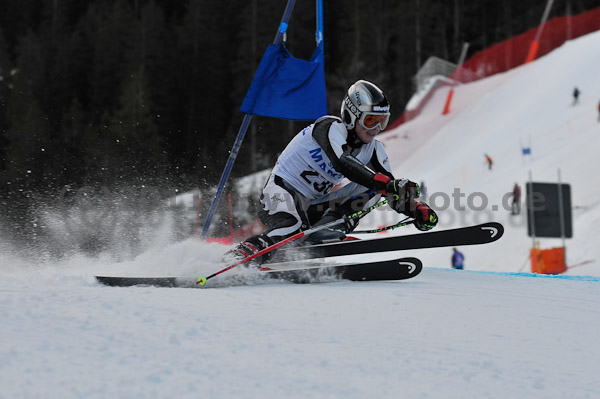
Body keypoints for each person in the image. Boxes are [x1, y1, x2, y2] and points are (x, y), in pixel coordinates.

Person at [226, 80, 438, 264]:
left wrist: (416, 209)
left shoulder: (374, 149)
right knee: (292, 226)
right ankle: (243, 254)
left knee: (376, 189)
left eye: (382, 122)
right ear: (351, 116)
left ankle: (329, 228)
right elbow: (343, 163)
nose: (375, 129)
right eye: (370, 121)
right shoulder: (329, 127)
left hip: (312, 206)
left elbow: (388, 188)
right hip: (279, 193)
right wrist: (386, 183)